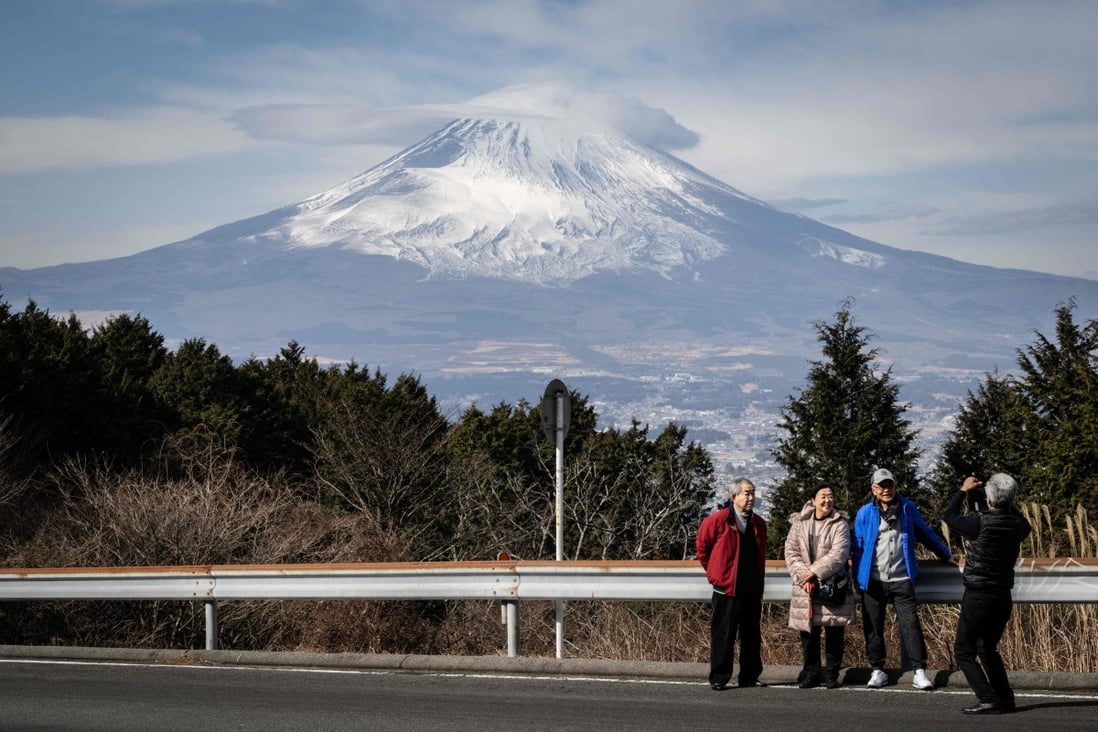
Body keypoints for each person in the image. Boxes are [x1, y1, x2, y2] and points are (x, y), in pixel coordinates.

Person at [852, 468, 952, 690]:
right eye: (881, 486)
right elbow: (857, 547)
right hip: (874, 579)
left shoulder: (907, 508)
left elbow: (925, 533)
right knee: (873, 627)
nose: (886, 490)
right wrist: (859, 578)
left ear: (895, 487)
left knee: (911, 625)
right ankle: (878, 670)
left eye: (890, 485)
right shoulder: (865, 513)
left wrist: (945, 554)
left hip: (901, 577)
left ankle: (919, 671)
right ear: (873, 489)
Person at [943, 473, 1032, 715]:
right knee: (987, 648)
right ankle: (1006, 699)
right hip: (1002, 595)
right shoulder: (1017, 526)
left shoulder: (979, 524)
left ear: (990, 500)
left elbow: (949, 516)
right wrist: (1002, 501)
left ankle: (987, 698)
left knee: (963, 650)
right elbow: (1023, 523)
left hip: (978, 594)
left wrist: (963, 490)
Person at [696, 477, 768, 690]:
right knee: (723, 636)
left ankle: (749, 676)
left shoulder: (758, 524)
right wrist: (715, 573)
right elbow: (702, 547)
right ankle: (719, 677)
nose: (750, 497)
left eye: (752, 493)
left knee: (751, 636)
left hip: (751, 588)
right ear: (733, 496)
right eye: (746, 493)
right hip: (726, 588)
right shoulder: (719, 520)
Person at [784, 481, 855, 689]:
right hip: (805, 587)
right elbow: (791, 551)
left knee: (834, 633)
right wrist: (802, 575)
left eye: (830, 496)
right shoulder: (799, 522)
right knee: (808, 633)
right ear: (813, 500)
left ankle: (832, 674)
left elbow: (839, 554)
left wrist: (813, 572)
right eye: (823, 496)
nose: (827, 500)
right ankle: (811, 673)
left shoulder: (839, 523)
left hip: (832, 584)